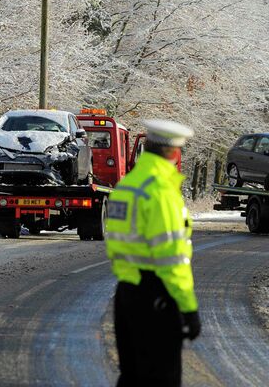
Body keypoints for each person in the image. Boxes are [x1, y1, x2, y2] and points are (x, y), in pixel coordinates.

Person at [105, 119, 200, 387]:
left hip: (126, 294)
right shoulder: (160, 192)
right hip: (157, 298)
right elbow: (172, 258)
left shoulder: (127, 186)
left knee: (132, 377)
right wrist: (188, 308)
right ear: (174, 152)